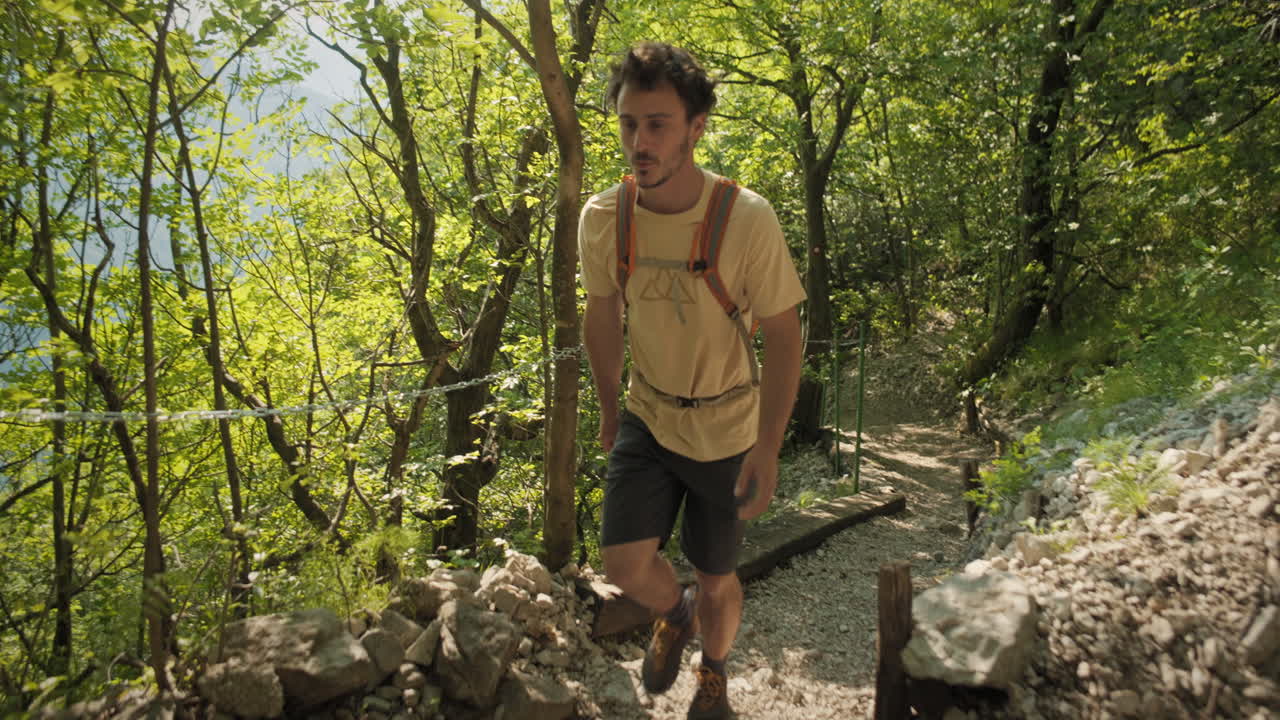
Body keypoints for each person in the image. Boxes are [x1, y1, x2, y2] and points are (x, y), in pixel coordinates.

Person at [578, 41, 805, 719]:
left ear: (696, 127)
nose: (638, 142)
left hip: (728, 428)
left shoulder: (747, 219)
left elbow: (786, 335)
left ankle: (714, 676)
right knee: (623, 568)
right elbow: (602, 310)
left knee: (717, 578)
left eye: (657, 125)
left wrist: (767, 446)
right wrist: (608, 407)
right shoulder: (604, 216)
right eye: (628, 124)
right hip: (650, 414)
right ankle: (670, 611)